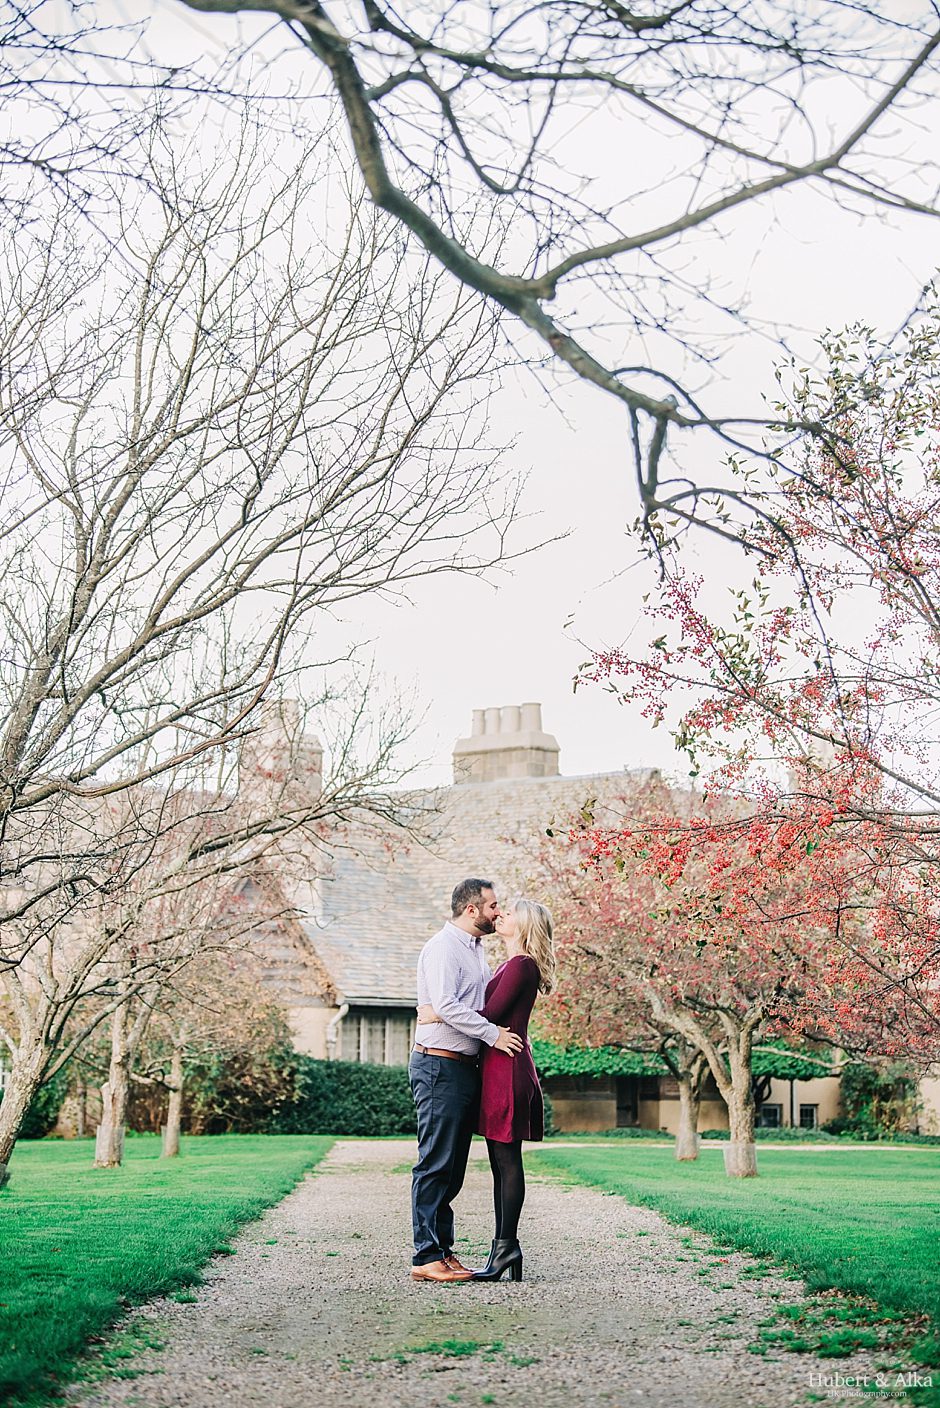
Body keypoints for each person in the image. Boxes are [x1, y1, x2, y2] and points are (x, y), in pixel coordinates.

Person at [418, 896, 556, 1284]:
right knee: (501, 1162)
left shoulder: (521, 966)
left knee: (507, 1161)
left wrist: (437, 1011)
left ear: (524, 925)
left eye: (508, 912)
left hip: (506, 1071)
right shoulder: (511, 965)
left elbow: (487, 1017)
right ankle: (504, 1247)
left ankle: (506, 1246)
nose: (501, 915)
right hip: (498, 1069)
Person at [409, 879, 524, 1283]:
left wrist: (440, 1012)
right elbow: (445, 1003)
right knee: (435, 1163)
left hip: (463, 1067)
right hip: (438, 1065)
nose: (498, 911)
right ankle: (425, 1256)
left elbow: (460, 1006)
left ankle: (442, 1250)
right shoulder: (444, 947)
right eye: (493, 905)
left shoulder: (475, 952)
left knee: (453, 1167)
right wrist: (492, 1033)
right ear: (472, 910)